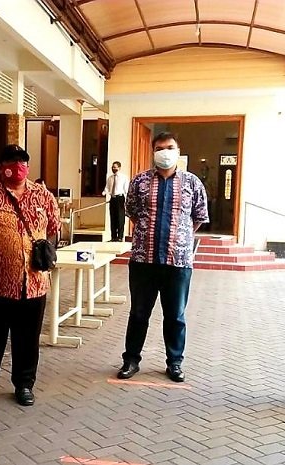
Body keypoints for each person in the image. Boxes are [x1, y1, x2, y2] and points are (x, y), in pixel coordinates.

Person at [0, 144, 60, 410]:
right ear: (0, 166)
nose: (17, 166)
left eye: (22, 161)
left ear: (28, 166)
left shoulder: (43, 195)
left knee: (27, 340)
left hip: (33, 282)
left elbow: (53, 227)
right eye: (11, 161)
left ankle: (24, 385)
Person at [117, 132, 208, 383]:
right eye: (159, 148)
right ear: (153, 152)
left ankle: (174, 363)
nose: (164, 152)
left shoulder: (192, 183)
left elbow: (198, 217)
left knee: (175, 316)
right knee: (138, 313)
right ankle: (131, 360)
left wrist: (179, 235)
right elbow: (133, 213)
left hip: (177, 263)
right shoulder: (140, 182)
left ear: (178, 151)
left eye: (169, 147)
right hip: (143, 261)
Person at [102, 161, 129, 241]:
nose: (113, 168)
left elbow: (126, 189)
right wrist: (104, 192)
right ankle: (113, 237)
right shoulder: (110, 178)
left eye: (115, 167)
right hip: (113, 198)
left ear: (119, 168)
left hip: (120, 198)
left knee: (120, 218)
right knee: (113, 218)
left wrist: (128, 200)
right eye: (113, 167)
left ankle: (120, 237)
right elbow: (107, 187)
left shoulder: (124, 177)